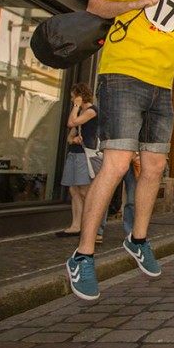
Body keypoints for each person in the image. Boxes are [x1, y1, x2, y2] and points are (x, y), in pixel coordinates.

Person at [65, 0, 174, 301]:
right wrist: (135, 4)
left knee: (155, 167)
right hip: (123, 75)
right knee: (118, 162)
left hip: (161, 86)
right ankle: (83, 255)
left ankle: (138, 239)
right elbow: (95, 5)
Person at [57, 83, 99, 238]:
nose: (71, 98)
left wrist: (76, 106)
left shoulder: (91, 111)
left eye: (73, 95)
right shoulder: (80, 112)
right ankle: (75, 225)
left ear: (80, 96)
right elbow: (70, 134)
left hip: (85, 154)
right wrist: (72, 139)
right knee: (73, 189)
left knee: (84, 191)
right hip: (74, 154)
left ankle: (90, 226)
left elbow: (71, 123)